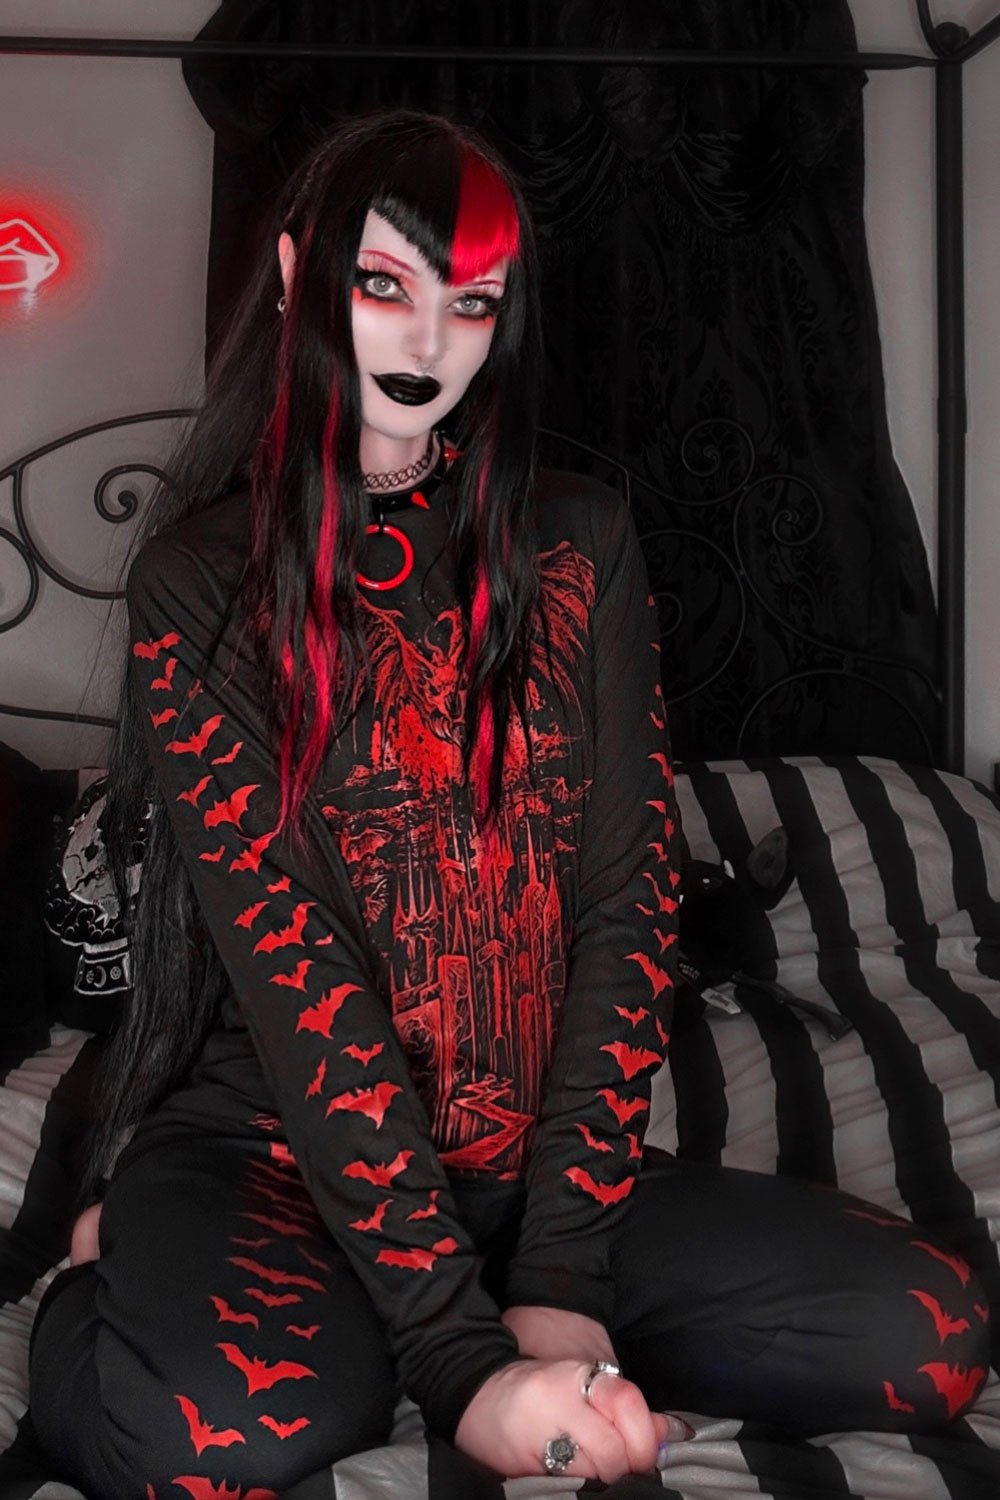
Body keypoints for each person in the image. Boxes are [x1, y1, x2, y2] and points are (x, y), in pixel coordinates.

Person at [29, 108, 990, 1498]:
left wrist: (560, 1282)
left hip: (544, 1172)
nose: (429, 340)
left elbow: (626, 899)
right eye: (385, 284)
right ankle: (104, 1266)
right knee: (218, 1439)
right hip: (282, 1151)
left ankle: (401, 1313)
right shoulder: (201, 582)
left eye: (472, 301)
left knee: (928, 1336)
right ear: (297, 274)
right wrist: (459, 1360)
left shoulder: (579, 539)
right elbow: (300, 972)